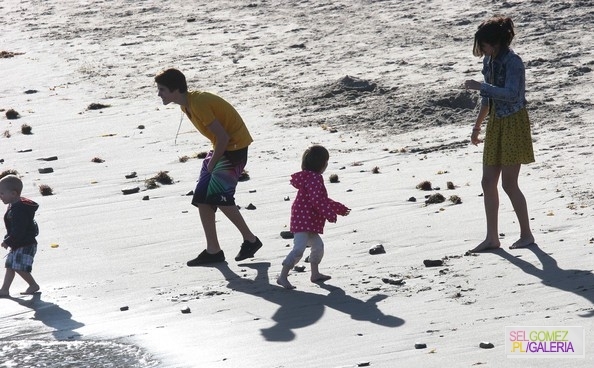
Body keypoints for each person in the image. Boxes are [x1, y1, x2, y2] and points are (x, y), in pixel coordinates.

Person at [155, 68, 262, 266]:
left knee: (219, 198)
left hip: (234, 149)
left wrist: (212, 163)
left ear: (175, 89)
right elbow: (219, 138)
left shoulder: (199, 103)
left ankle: (251, 240)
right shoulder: (186, 105)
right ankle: (213, 250)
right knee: (203, 199)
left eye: (162, 89)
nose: (159, 93)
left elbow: (224, 137)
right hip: (221, 149)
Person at [464, 16, 536, 252]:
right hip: (496, 121)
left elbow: (512, 94)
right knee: (487, 182)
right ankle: (492, 238)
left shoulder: (514, 62)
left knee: (509, 183)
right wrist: (476, 128)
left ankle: (526, 235)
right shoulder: (490, 60)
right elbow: (488, 98)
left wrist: (480, 86)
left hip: (514, 122)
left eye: (484, 45)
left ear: (494, 43)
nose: (482, 50)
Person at [276, 145, 350, 289]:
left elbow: (321, 199)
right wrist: (329, 213)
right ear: (322, 164)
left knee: (318, 246)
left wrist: (338, 208)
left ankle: (315, 274)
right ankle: (282, 276)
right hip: (303, 220)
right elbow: (318, 201)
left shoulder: (310, 178)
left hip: (306, 219)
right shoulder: (314, 179)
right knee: (299, 249)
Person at [0, 174, 40, 297]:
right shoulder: (14, 205)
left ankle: (33, 285)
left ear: (13, 193)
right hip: (19, 242)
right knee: (10, 266)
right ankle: (4, 290)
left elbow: (19, 230)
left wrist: (8, 241)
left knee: (19, 267)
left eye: (1, 193)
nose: (0, 196)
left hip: (25, 243)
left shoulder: (19, 210)